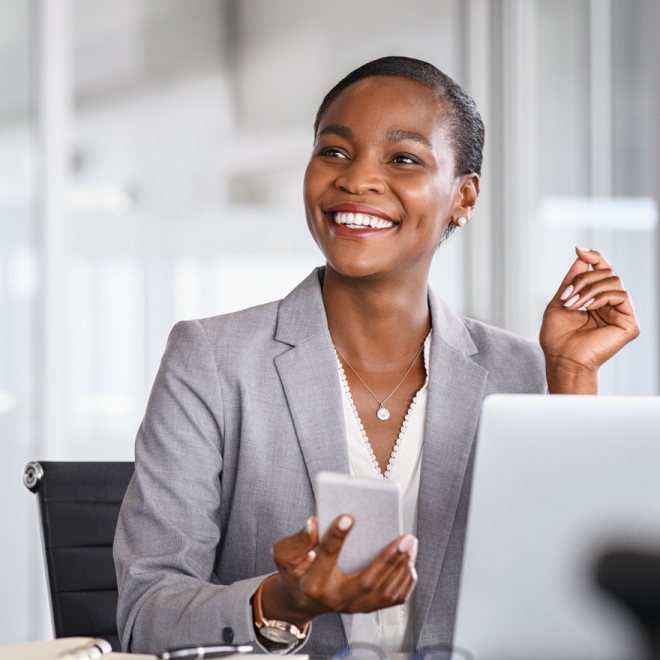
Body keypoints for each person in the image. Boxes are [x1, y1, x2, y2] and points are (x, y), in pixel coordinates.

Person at [113, 56, 640, 656]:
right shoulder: (211, 360)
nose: (357, 179)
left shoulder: (520, 373)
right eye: (334, 152)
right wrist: (283, 602)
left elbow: (576, 600)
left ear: (463, 197)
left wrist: (570, 377)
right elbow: (145, 612)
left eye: (404, 159)